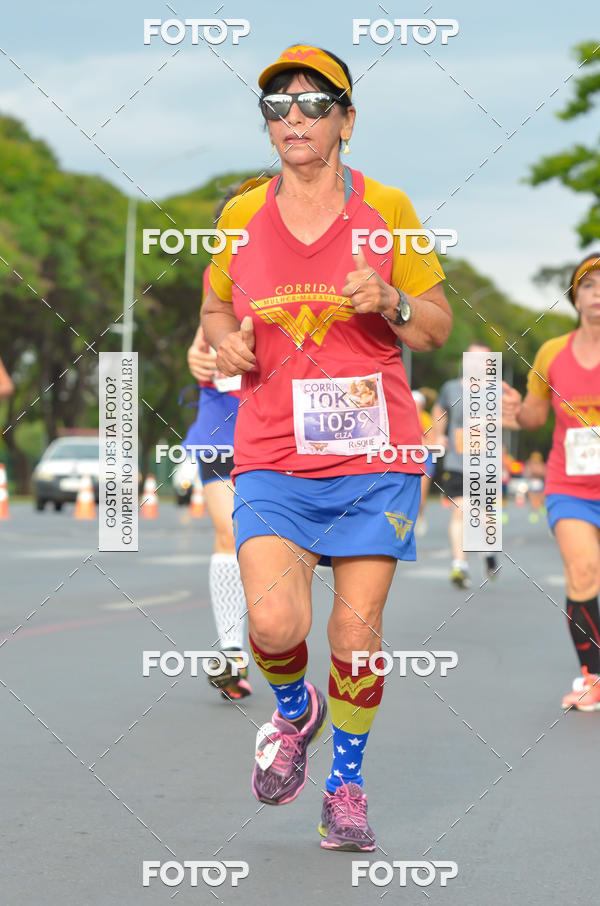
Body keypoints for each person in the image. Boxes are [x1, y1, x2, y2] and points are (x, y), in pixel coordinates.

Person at [202, 44, 452, 850]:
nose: (295, 119)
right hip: (272, 448)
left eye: (314, 104)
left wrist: (392, 299)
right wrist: (223, 347)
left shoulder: (388, 208)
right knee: (273, 624)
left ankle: (345, 781)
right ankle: (290, 710)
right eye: (278, 107)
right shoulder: (241, 216)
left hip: (375, 456)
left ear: (347, 120)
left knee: (355, 633)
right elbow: (212, 312)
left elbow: (439, 327)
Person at [185, 177, 270, 701]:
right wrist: (196, 358)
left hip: (279, 426)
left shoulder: (302, 273)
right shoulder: (215, 274)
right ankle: (230, 653)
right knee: (227, 533)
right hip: (220, 423)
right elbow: (203, 340)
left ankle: (278, 641)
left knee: (271, 546)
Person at [503, 253, 600, 711]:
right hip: (572, 486)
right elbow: (534, 416)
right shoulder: (551, 353)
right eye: (588, 284)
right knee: (582, 571)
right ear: (574, 295)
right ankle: (593, 675)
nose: (597, 292)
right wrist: (511, 409)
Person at [432, 346, 499, 588]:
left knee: (483, 514)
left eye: (482, 359)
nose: (476, 363)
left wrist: (491, 420)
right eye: (471, 358)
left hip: (486, 463)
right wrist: (438, 435)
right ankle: (459, 565)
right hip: (456, 461)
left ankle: (488, 551)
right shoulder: (451, 388)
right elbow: (439, 411)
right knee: (461, 509)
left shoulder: (497, 390)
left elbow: (515, 419)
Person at [412, 388, 436, 536]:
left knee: (421, 495)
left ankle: (420, 516)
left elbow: (431, 442)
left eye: (418, 404)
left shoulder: (426, 418)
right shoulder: (403, 417)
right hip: (406, 457)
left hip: (425, 458)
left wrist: (418, 442)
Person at [524, 451, 546, 522]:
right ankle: (534, 514)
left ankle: (540, 507)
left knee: (540, 498)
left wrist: (537, 472)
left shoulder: (542, 465)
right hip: (532, 483)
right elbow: (527, 473)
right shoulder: (530, 465)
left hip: (539, 483)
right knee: (533, 499)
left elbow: (544, 473)